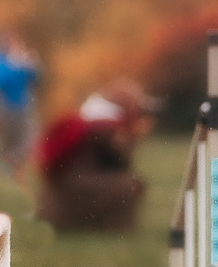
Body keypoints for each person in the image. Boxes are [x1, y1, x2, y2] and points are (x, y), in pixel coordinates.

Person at [33, 77, 158, 233]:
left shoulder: (92, 117)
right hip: (73, 186)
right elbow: (121, 161)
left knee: (122, 183)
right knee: (129, 186)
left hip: (63, 187)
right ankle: (115, 231)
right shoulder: (107, 125)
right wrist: (135, 135)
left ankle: (94, 227)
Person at [0, 31, 41, 177]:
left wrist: (32, 65)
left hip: (24, 107)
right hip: (5, 109)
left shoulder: (21, 59)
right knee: (9, 142)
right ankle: (5, 170)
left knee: (29, 142)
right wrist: (14, 67)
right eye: (11, 42)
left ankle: (6, 168)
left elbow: (37, 79)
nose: (15, 45)